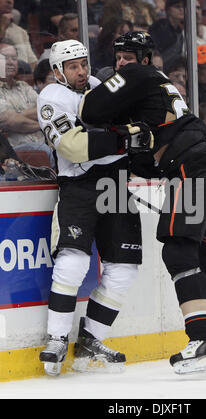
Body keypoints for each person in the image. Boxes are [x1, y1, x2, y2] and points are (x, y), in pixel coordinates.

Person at [79, 31, 206, 374]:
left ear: (144, 59)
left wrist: (113, 126)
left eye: (129, 56)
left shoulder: (139, 75)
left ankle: (202, 341)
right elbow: (144, 158)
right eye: (119, 57)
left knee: (178, 249)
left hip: (191, 168)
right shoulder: (150, 91)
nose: (122, 63)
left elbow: (89, 110)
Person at [37, 39, 145, 376]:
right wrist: (126, 139)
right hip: (80, 186)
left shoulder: (100, 86)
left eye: (84, 63)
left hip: (116, 183)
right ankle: (56, 338)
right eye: (73, 66)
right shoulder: (51, 98)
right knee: (73, 261)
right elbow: (73, 146)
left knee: (125, 266)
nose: (82, 71)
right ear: (58, 71)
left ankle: (91, 339)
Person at [0, 41, 53, 165]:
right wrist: (44, 124)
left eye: (14, 58)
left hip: (42, 144)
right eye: (4, 58)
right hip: (13, 152)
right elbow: (10, 122)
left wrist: (16, 115)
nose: (10, 62)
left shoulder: (24, 87)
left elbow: (46, 109)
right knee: (47, 152)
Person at [0, 0, 38, 70]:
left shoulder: (20, 31)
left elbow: (32, 62)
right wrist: (3, 27)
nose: (10, 1)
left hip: (21, 77)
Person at [149, 0, 185, 71]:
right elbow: (152, 50)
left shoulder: (179, 31)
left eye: (183, 7)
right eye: (177, 7)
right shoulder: (159, 26)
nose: (182, 9)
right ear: (168, 10)